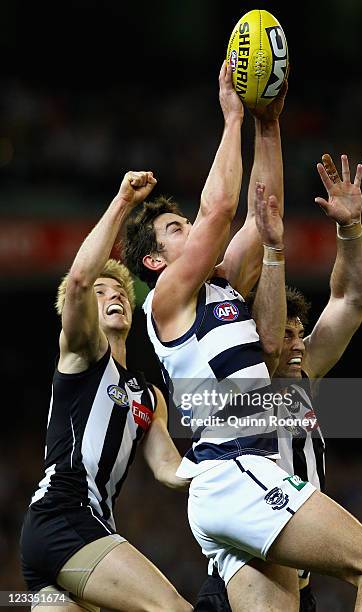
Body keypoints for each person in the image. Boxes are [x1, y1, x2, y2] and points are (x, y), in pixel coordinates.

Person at [122, 62, 362, 611]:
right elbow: (221, 208)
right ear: (154, 260)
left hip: (242, 480)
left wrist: (268, 126)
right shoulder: (168, 298)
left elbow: (261, 210)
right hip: (234, 465)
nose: (193, 230)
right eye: (177, 229)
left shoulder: (224, 285)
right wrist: (232, 118)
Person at [195, 153, 362, 611]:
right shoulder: (235, 389)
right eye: (285, 333)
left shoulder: (302, 377)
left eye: (302, 334)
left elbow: (350, 299)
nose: (297, 345)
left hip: (300, 585)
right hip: (246, 577)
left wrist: (350, 229)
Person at [20, 171, 193, 612]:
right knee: (173, 609)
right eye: (101, 291)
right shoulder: (81, 354)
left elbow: (170, 470)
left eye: (119, 289)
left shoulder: (148, 395)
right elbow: (78, 280)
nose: (113, 294)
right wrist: (121, 202)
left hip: (72, 537)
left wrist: (228, 461)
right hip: (64, 517)